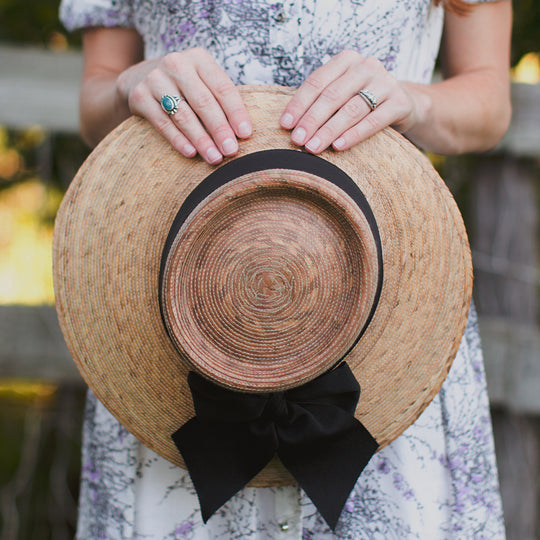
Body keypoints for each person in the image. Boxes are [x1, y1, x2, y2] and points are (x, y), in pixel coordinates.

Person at [59, 0, 511, 538]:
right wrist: (126, 85)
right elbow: (95, 100)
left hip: (390, 316)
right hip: (169, 318)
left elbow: (488, 102)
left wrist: (416, 100)